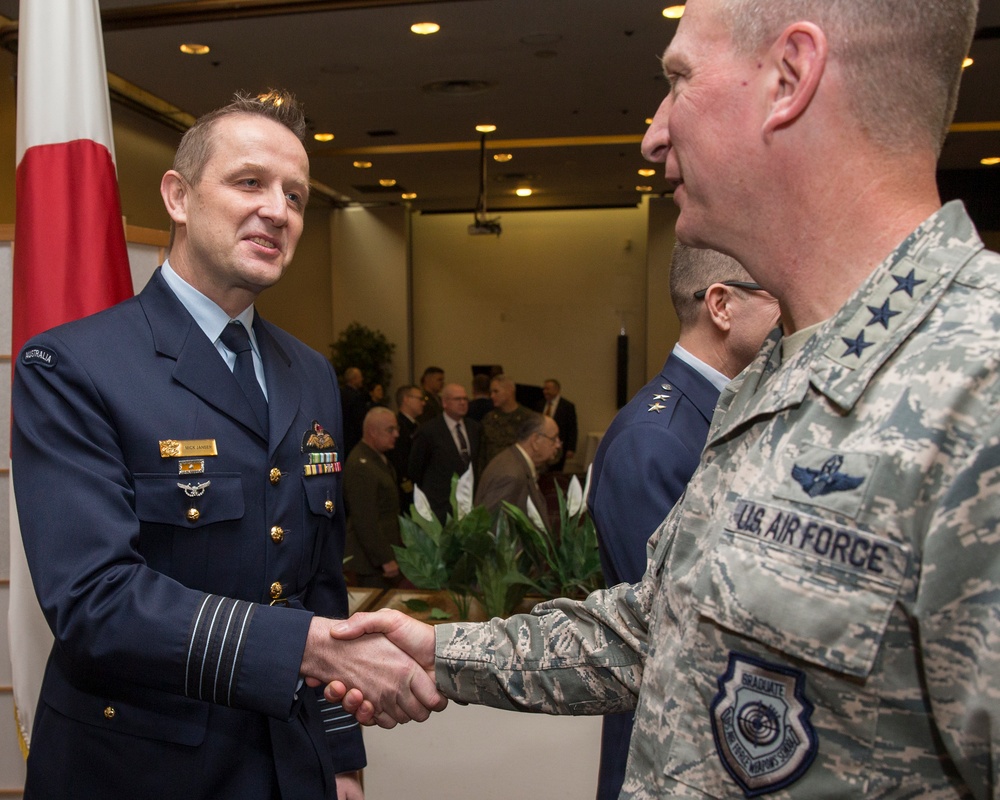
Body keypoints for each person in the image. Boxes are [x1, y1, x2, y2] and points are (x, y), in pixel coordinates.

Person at [327, 1, 1000, 796]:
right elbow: (658, 627)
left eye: (678, 80)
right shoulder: (774, 376)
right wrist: (441, 652)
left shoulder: (976, 390)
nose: (651, 132)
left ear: (790, 76)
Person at [11, 89, 445, 800]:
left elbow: (317, 583)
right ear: (178, 197)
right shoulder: (74, 366)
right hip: (138, 769)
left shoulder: (309, 373)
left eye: (297, 196)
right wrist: (304, 650)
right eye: (250, 182)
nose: (278, 210)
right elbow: (94, 599)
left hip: (287, 761)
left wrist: (340, 755)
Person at [589, 244, 779, 800]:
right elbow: (660, 633)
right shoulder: (656, 441)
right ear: (721, 305)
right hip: (673, 758)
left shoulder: (728, 414)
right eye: (775, 296)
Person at [344, 407, 403, 588]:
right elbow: (365, 518)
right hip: (369, 563)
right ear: (372, 431)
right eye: (390, 430)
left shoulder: (375, 458)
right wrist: (384, 558)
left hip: (379, 556)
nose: (396, 434)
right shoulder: (361, 464)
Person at [408, 383, 482, 523]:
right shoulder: (429, 431)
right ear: (445, 402)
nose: (462, 403)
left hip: (468, 504)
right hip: (439, 505)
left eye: (465, 399)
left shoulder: (474, 428)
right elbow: (416, 469)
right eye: (457, 399)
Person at [473, 412, 560, 523]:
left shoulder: (515, 461)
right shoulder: (511, 475)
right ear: (535, 441)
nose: (558, 444)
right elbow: (494, 527)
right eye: (554, 439)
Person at [479, 374, 532, 468]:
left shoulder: (528, 418)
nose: (492, 396)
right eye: (491, 392)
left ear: (509, 391)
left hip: (519, 474)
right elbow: (482, 452)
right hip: (493, 474)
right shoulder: (489, 418)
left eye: (496, 391)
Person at [389, 383, 426, 510]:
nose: (423, 403)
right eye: (420, 399)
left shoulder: (416, 425)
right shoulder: (399, 426)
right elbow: (401, 461)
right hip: (407, 489)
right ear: (406, 399)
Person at [537, 378, 578, 472]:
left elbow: (572, 429)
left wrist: (571, 449)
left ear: (556, 390)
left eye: (548, 389)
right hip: (542, 446)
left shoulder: (567, 406)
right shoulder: (540, 404)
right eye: (544, 389)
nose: (545, 391)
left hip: (559, 448)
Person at [340, 365, 368, 456]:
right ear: (353, 379)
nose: (362, 379)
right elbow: (360, 421)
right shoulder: (356, 397)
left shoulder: (340, 393)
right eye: (360, 377)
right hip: (354, 441)